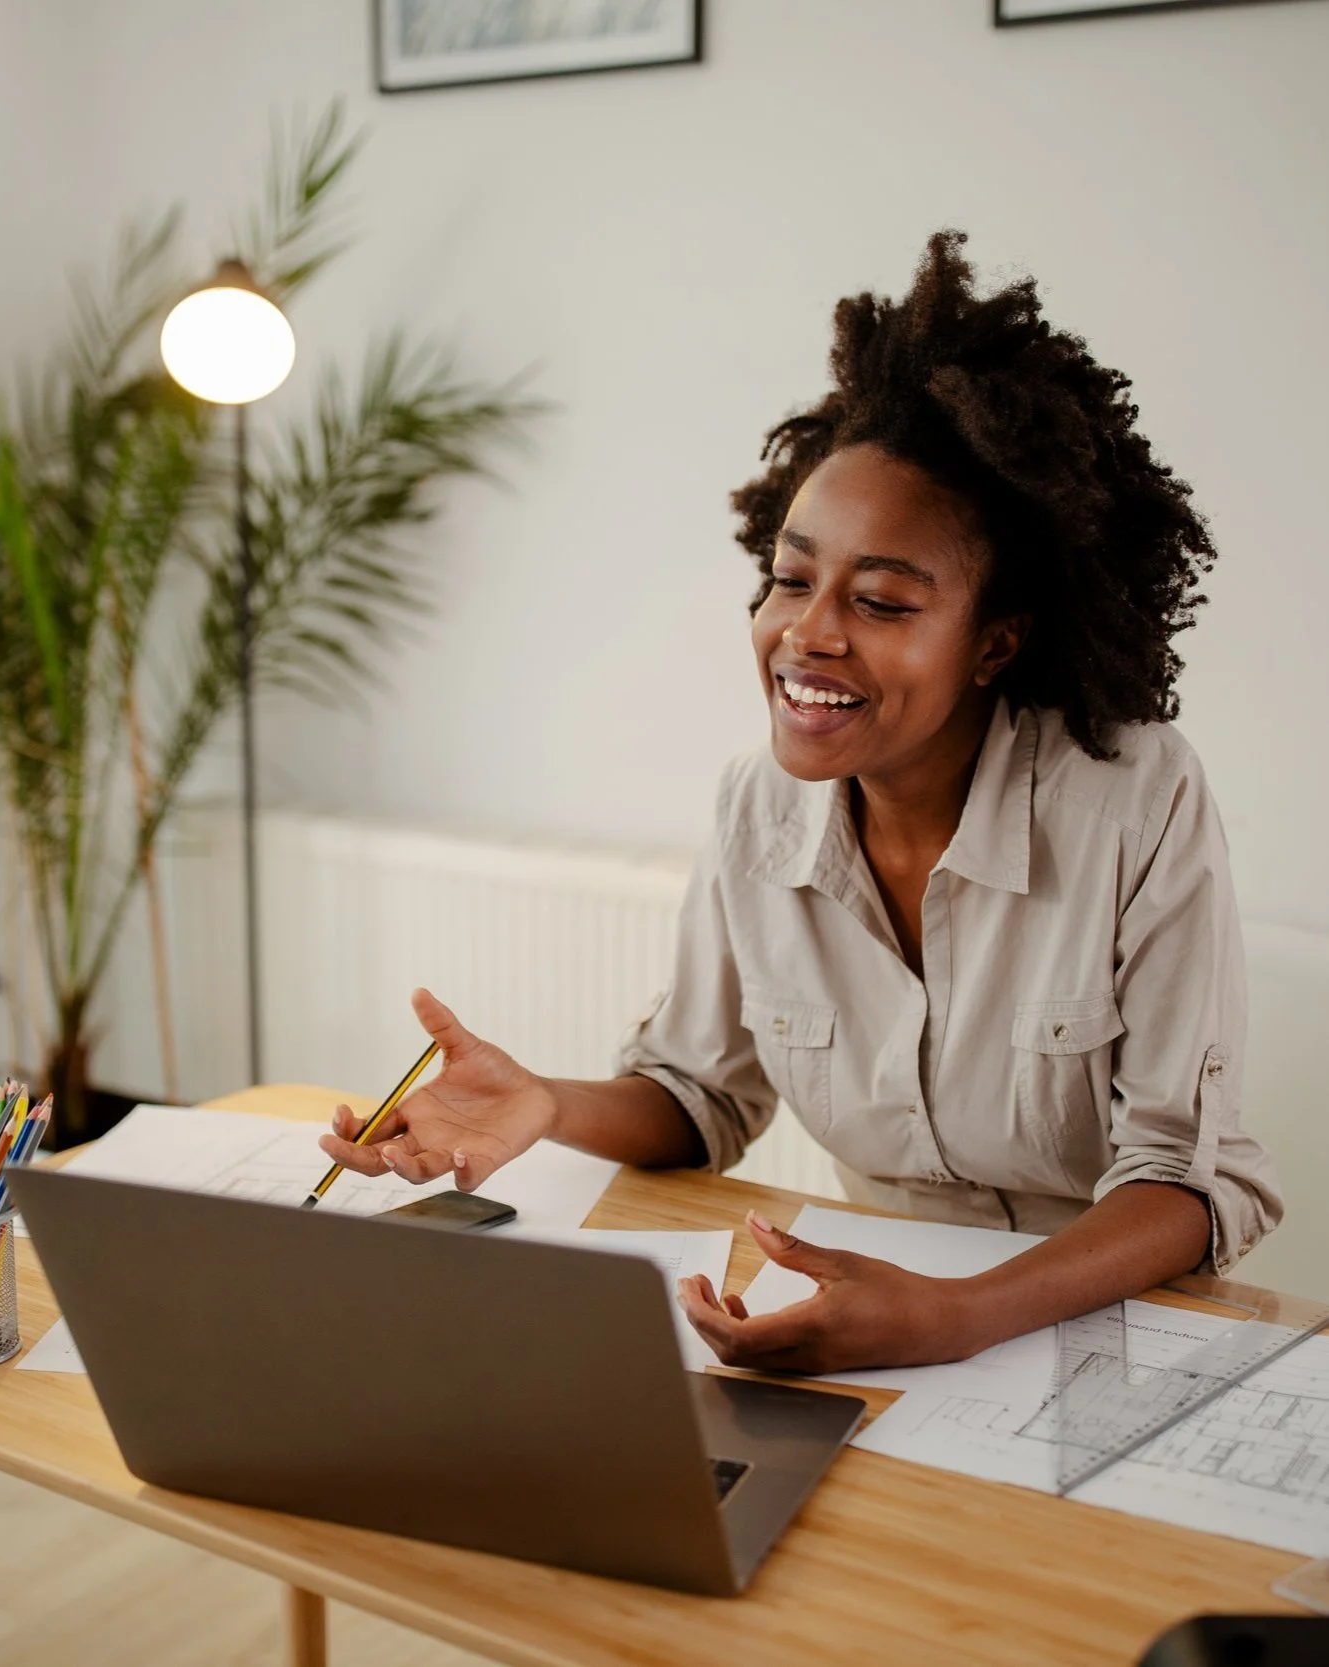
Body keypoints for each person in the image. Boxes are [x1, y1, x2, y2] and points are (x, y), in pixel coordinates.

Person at [318, 230, 1281, 1376]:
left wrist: (957, 1313)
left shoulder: (1133, 798)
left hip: (1105, 1328)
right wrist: (541, 1104)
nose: (804, 632)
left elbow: (1178, 1173)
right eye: (787, 578)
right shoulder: (755, 806)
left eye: (878, 599)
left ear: (994, 644)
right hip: (868, 1314)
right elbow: (694, 1096)